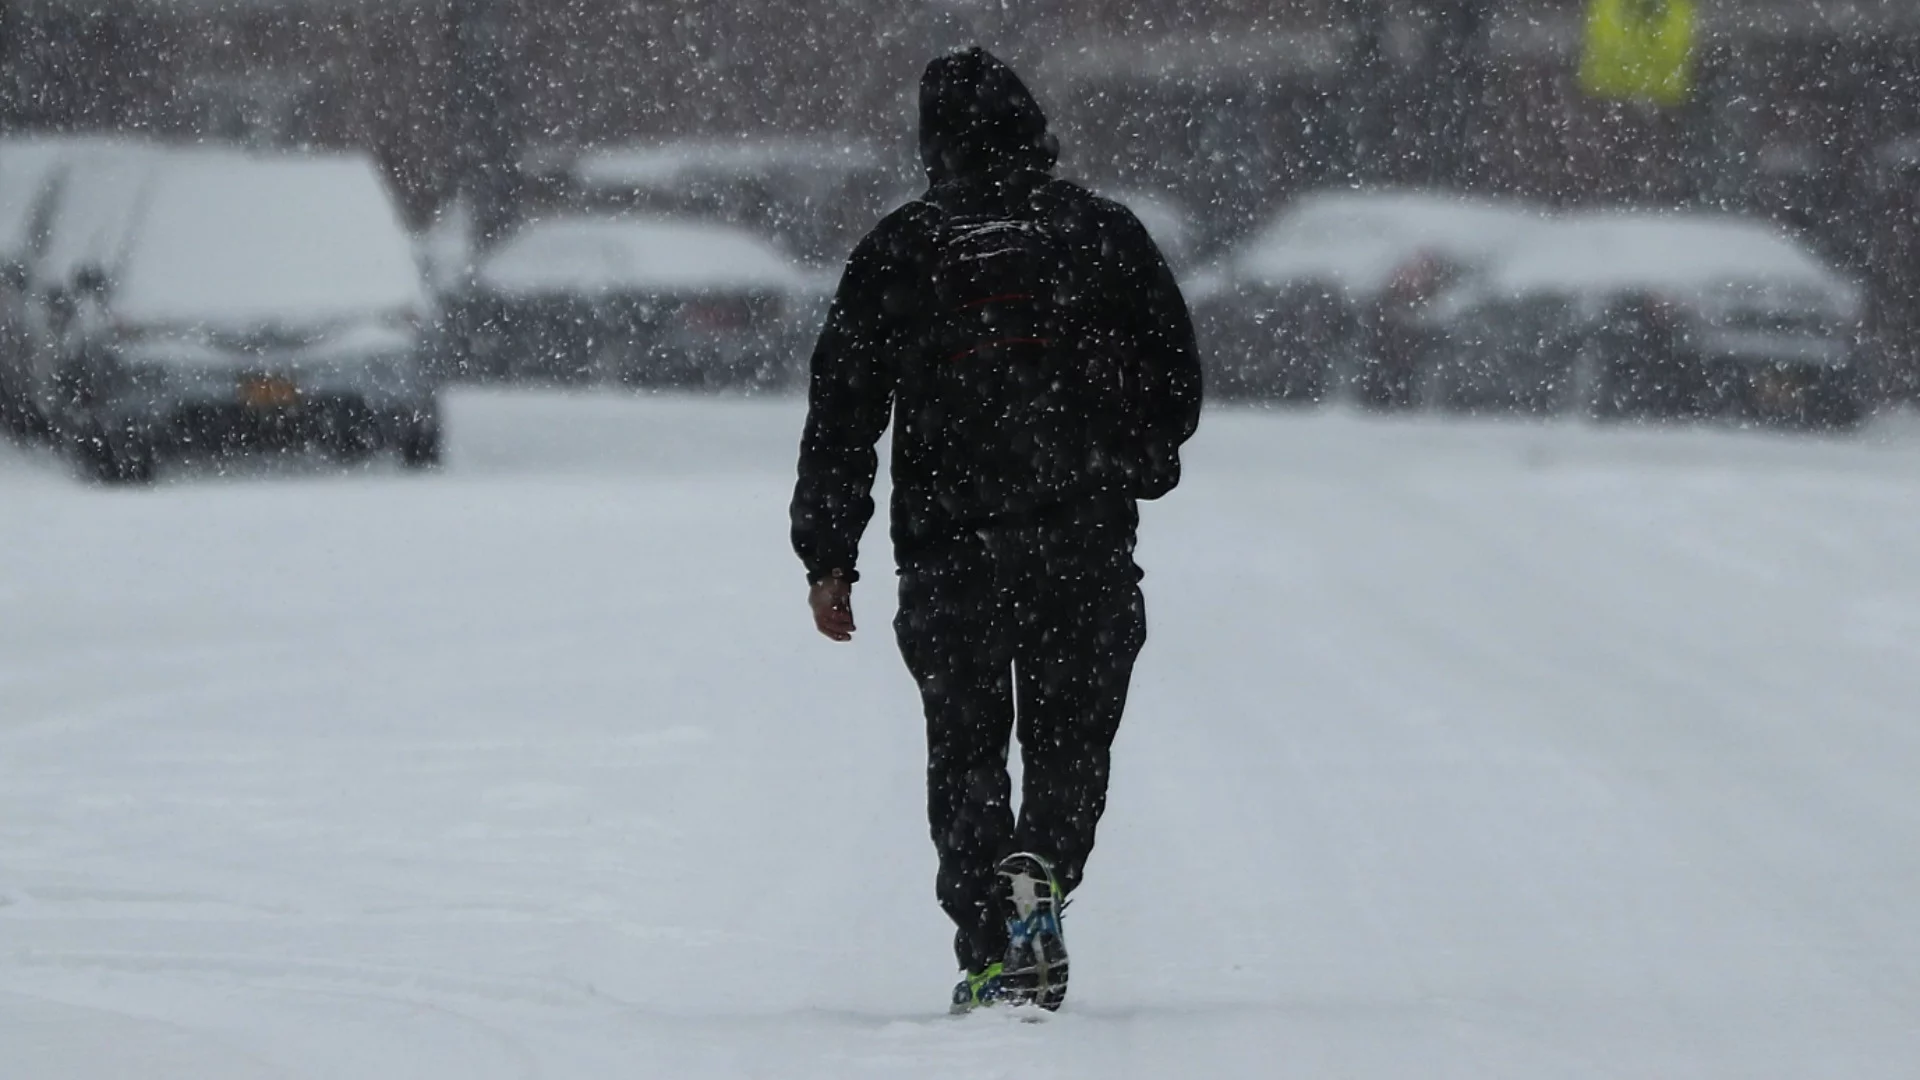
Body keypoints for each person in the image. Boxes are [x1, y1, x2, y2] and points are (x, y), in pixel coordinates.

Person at [790, 47, 1202, 1013]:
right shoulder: (1103, 236)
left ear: (933, 143)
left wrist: (829, 555)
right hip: (1084, 540)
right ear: (1033, 126)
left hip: (949, 548)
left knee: (966, 751)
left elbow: (843, 412)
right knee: (1070, 744)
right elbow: (1176, 383)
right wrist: (1132, 443)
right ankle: (1042, 864)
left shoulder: (902, 249)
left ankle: (987, 949)